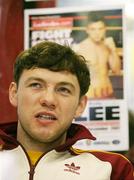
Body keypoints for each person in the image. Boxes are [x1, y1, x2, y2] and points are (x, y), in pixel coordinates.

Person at [0, 41, 133, 180]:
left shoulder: (113, 170)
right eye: (36, 85)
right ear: (14, 93)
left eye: (63, 89)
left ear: (80, 105)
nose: (49, 99)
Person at [73, 12, 121, 99]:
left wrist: (113, 51)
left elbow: (116, 71)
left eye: (100, 29)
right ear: (87, 30)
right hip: (90, 96)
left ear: (105, 29)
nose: (97, 33)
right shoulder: (80, 49)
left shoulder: (107, 46)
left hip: (108, 92)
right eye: (93, 29)